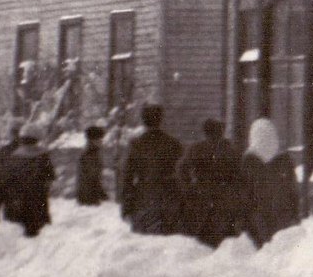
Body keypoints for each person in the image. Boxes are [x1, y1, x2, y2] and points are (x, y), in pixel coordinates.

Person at [177, 117, 248, 247]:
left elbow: (181, 169)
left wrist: (189, 188)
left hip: (201, 199)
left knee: (201, 241)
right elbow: (241, 177)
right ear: (221, 131)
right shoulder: (231, 150)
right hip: (225, 200)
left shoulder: (197, 149)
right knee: (225, 241)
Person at [119, 104, 183, 236]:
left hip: (143, 201)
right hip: (168, 201)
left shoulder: (136, 145)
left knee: (143, 248)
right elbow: (182, 175)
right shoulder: (174, 144)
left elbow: (127, 178)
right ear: (161, 120)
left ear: (143, 120)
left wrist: (126, 208)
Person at [241, 117, 302, 246]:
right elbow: (293, 193)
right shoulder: (284, 161)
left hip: (258, 224)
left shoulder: (248, 162)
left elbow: (245, 197)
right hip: (283, 221)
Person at [2, 129, 56, 238]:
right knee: (36, 227)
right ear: (37, 140)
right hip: (38, 196)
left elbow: (8, 179)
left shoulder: (15, 156)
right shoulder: (43, 156)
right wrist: (45, 188)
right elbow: (50, 176)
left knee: (21, 228)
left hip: (20, 197)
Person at [74, 125, 110, 206]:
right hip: (89, 198)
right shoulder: (90, 154)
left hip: (89, 197)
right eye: (99, 139)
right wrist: (102, 194)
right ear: (92, 140)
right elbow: (92, 177)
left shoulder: (93, 153)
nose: (101, 142)